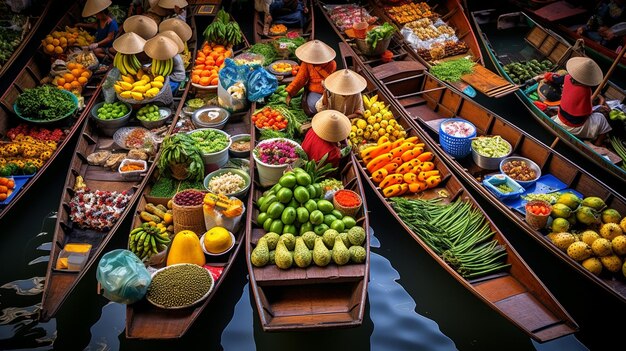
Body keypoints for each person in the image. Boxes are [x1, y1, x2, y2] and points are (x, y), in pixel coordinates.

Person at [536, 57, 612, 145]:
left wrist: (545, 75)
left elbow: (554, 78)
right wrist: (598, 108)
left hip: (561, 117)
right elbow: (586, 113)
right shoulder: (587, 90)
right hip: (574, 126)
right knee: (603, 119)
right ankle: (598, 143)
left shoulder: (567, 77)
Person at [285, 40, 337, 116]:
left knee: (326, 107)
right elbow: (300, 80)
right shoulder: (306, 64)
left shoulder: (332, 63)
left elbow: (332, 80)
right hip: (316, 92)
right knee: (314, 107)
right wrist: (289, 92)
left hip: (330, 91)